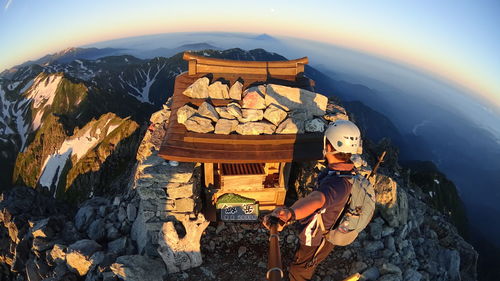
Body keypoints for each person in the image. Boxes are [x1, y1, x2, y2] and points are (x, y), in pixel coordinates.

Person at [263, 120, 362, 281]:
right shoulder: (344, 172)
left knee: (299, 270)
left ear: (329, 146)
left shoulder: (338, 183)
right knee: (301, 260)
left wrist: (290, 213)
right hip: (322, 228)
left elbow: (316, 199)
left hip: (317, 237)